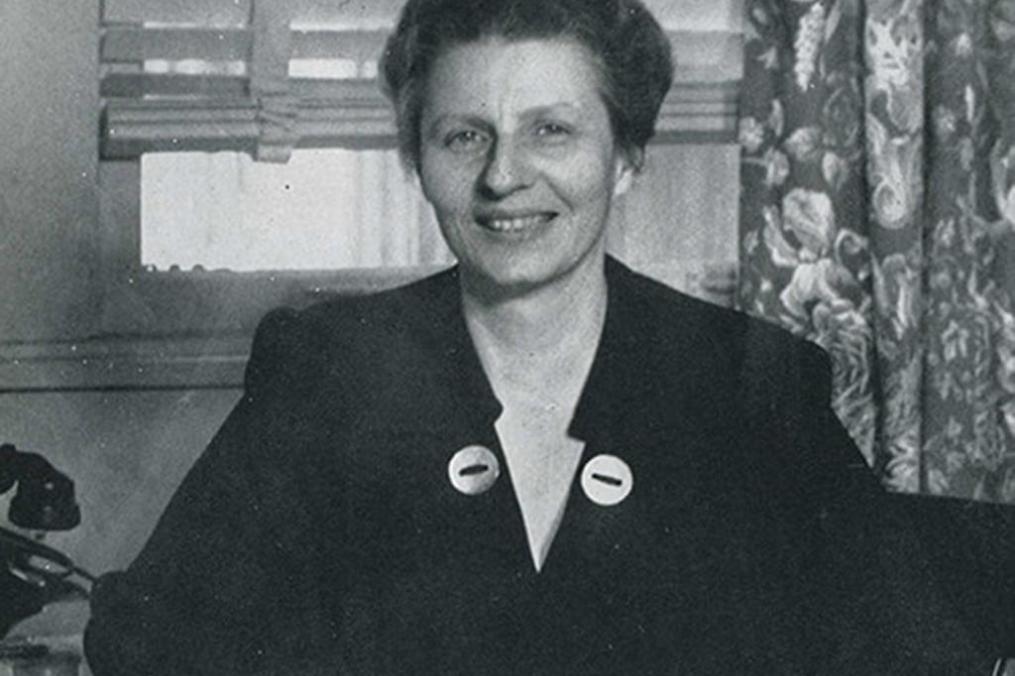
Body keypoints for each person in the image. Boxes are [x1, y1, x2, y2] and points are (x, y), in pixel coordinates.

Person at [84, 0, 1015, 673]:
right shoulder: (328, 372)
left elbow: (901, 633)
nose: (504, 178)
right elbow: (157, 641)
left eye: (552, 131)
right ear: (417, 160)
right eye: (464, 137)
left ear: (626, 159)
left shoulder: (748, 383)